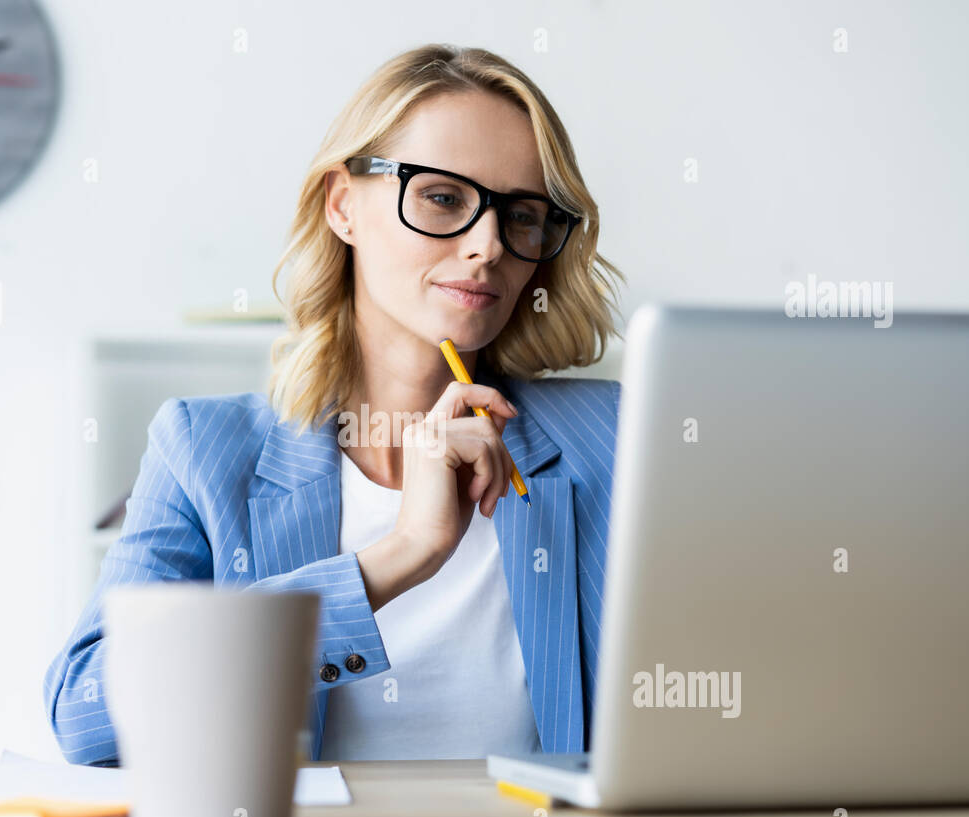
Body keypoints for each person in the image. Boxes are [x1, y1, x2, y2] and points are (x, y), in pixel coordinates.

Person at [44, 43, 626, 765]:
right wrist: (400, 555)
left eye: (523, 215)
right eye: (443, 197)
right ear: (344, 205)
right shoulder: (203, 448)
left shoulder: (614, 439)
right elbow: (85, 714)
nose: (487, 247)